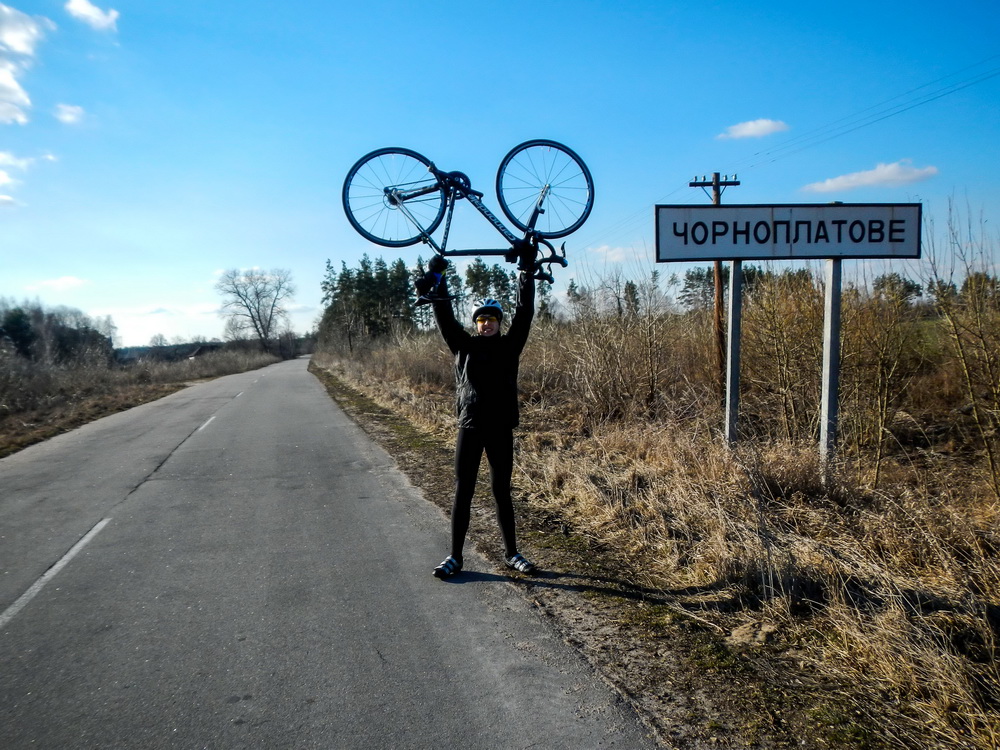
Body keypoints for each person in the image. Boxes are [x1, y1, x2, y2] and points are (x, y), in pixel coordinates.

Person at [415, 245, 538, 579]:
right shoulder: (463, 346)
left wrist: (526, 273)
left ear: (499, 322)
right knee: (463, 490)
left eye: (492, 319)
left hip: (500, 428)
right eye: (481, 319)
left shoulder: (510, 345)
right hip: (469, 426)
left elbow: (525, 312)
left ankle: (512, 554)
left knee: (501, 491)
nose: (486, 323)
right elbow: (444, 315)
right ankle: (455, 557)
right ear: (476, 323)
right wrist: (438, 277)